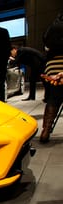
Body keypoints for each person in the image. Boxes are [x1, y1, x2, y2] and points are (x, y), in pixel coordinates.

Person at [38, 10, 63, 143]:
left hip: (52, 65)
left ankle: (45, 131)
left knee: (53, 99)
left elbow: (46, 48)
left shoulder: (51, 29)